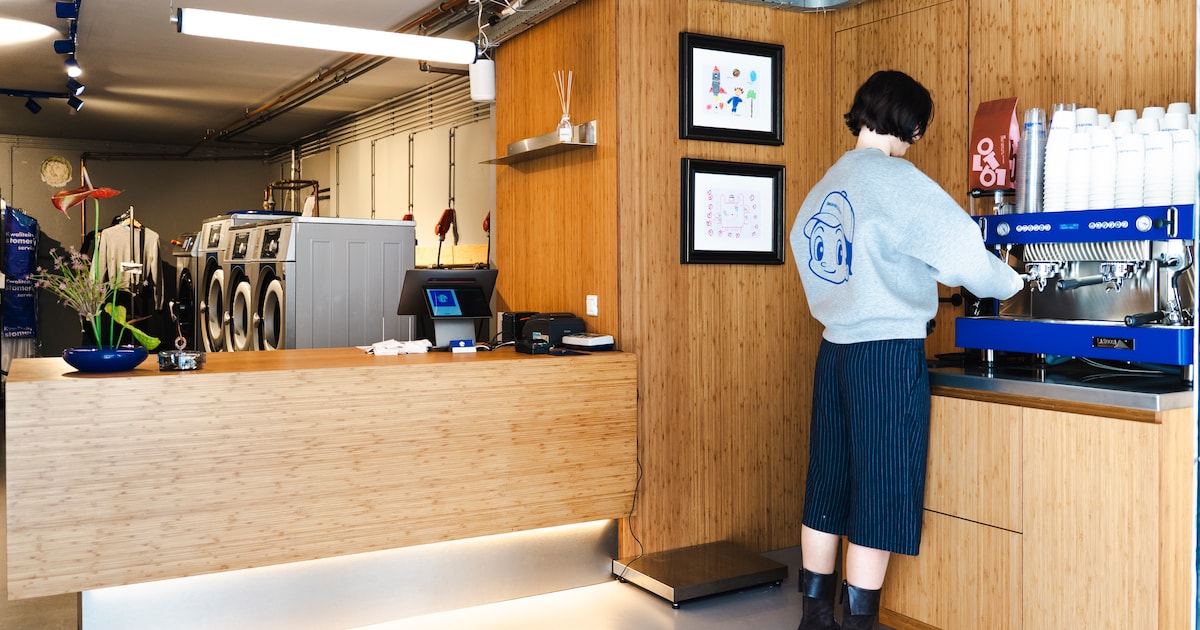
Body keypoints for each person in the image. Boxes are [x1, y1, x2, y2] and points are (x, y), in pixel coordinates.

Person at [788, 70, 1024, 630]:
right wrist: (1014, 283)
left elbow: (809, 246)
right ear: (912, 125)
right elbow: (960, 251)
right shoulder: (897, 181)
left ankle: (815, 619)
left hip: (834, 351)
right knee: (880, 491)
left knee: (827, 488)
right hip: (887, 355)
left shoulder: (829, 183)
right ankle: (860, 626)